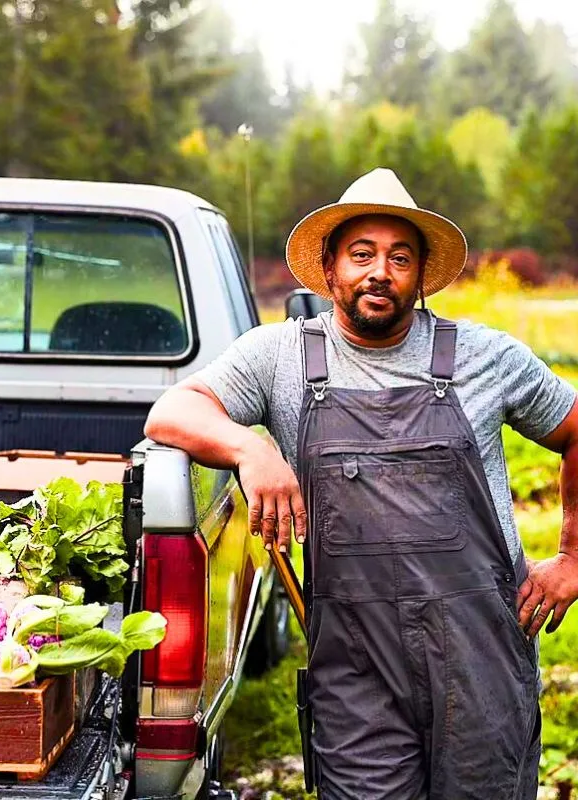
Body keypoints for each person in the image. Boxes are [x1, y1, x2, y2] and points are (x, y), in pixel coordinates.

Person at [144, 168, 578, 799]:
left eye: (400, 258)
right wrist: (249, 446)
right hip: (356, 674)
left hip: (480, 662)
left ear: (421, 274)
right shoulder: (279, 357)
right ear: (329, 267)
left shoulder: (486, 356)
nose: (381, 272)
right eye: (362, 254)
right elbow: (171, 412)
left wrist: (571, 556)